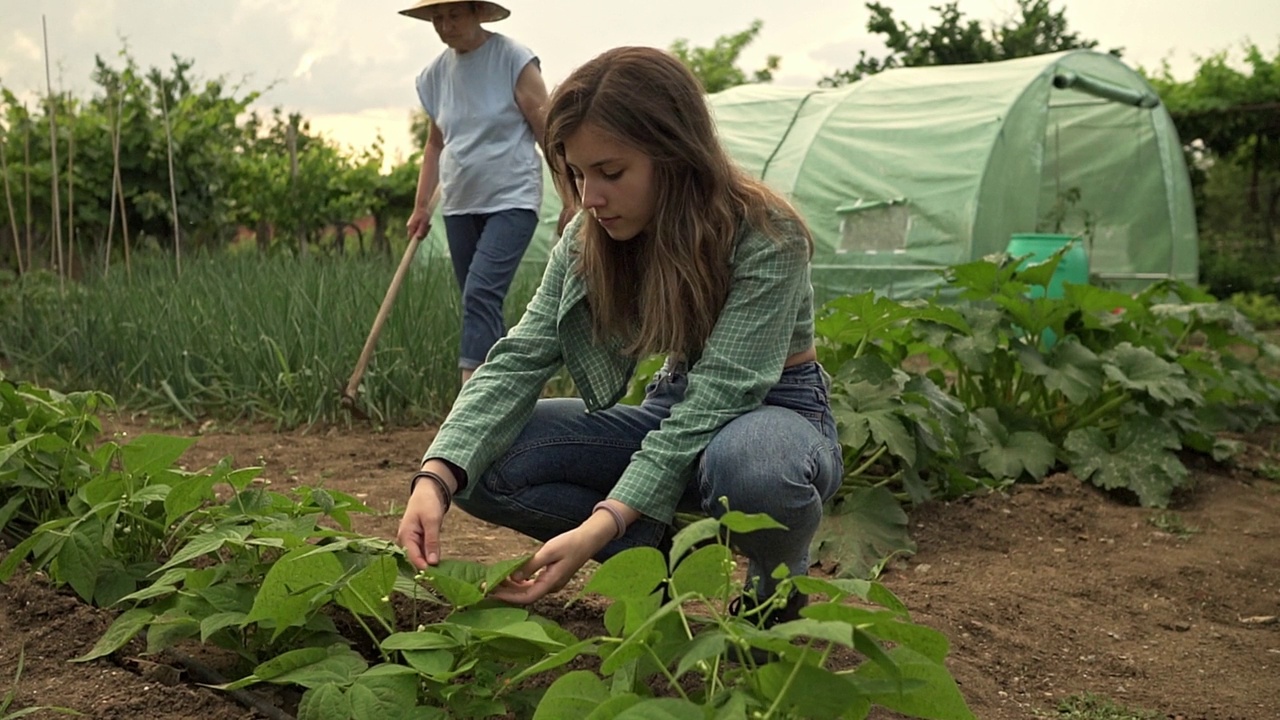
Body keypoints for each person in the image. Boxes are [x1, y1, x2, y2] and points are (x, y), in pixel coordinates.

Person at [396, 46, 843, 619]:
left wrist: (596, 527)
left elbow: (723, 395)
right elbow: (518, 357)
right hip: (676, 403)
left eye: (610, 172)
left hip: (777, 409)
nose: (590, 197)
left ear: (676, 155)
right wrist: (435, 476)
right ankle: (652, 558)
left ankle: (775, 589)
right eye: (578, 173)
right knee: (482, 462)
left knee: (755, 468)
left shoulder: (764, 234)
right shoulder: (588, 237)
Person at [400, 0, 573, 384]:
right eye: (437, 18)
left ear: (477, 12)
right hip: (460, 202)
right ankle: (498, 393)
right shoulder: (433, 76)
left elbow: (545, 130)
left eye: (454, 15)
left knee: (480, 293)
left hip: (511, 198)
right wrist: (420, 207)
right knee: (479, 303)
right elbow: (435, 144)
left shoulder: (512, 59)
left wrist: (570, 195)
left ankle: (469, 399)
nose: (445, 25)